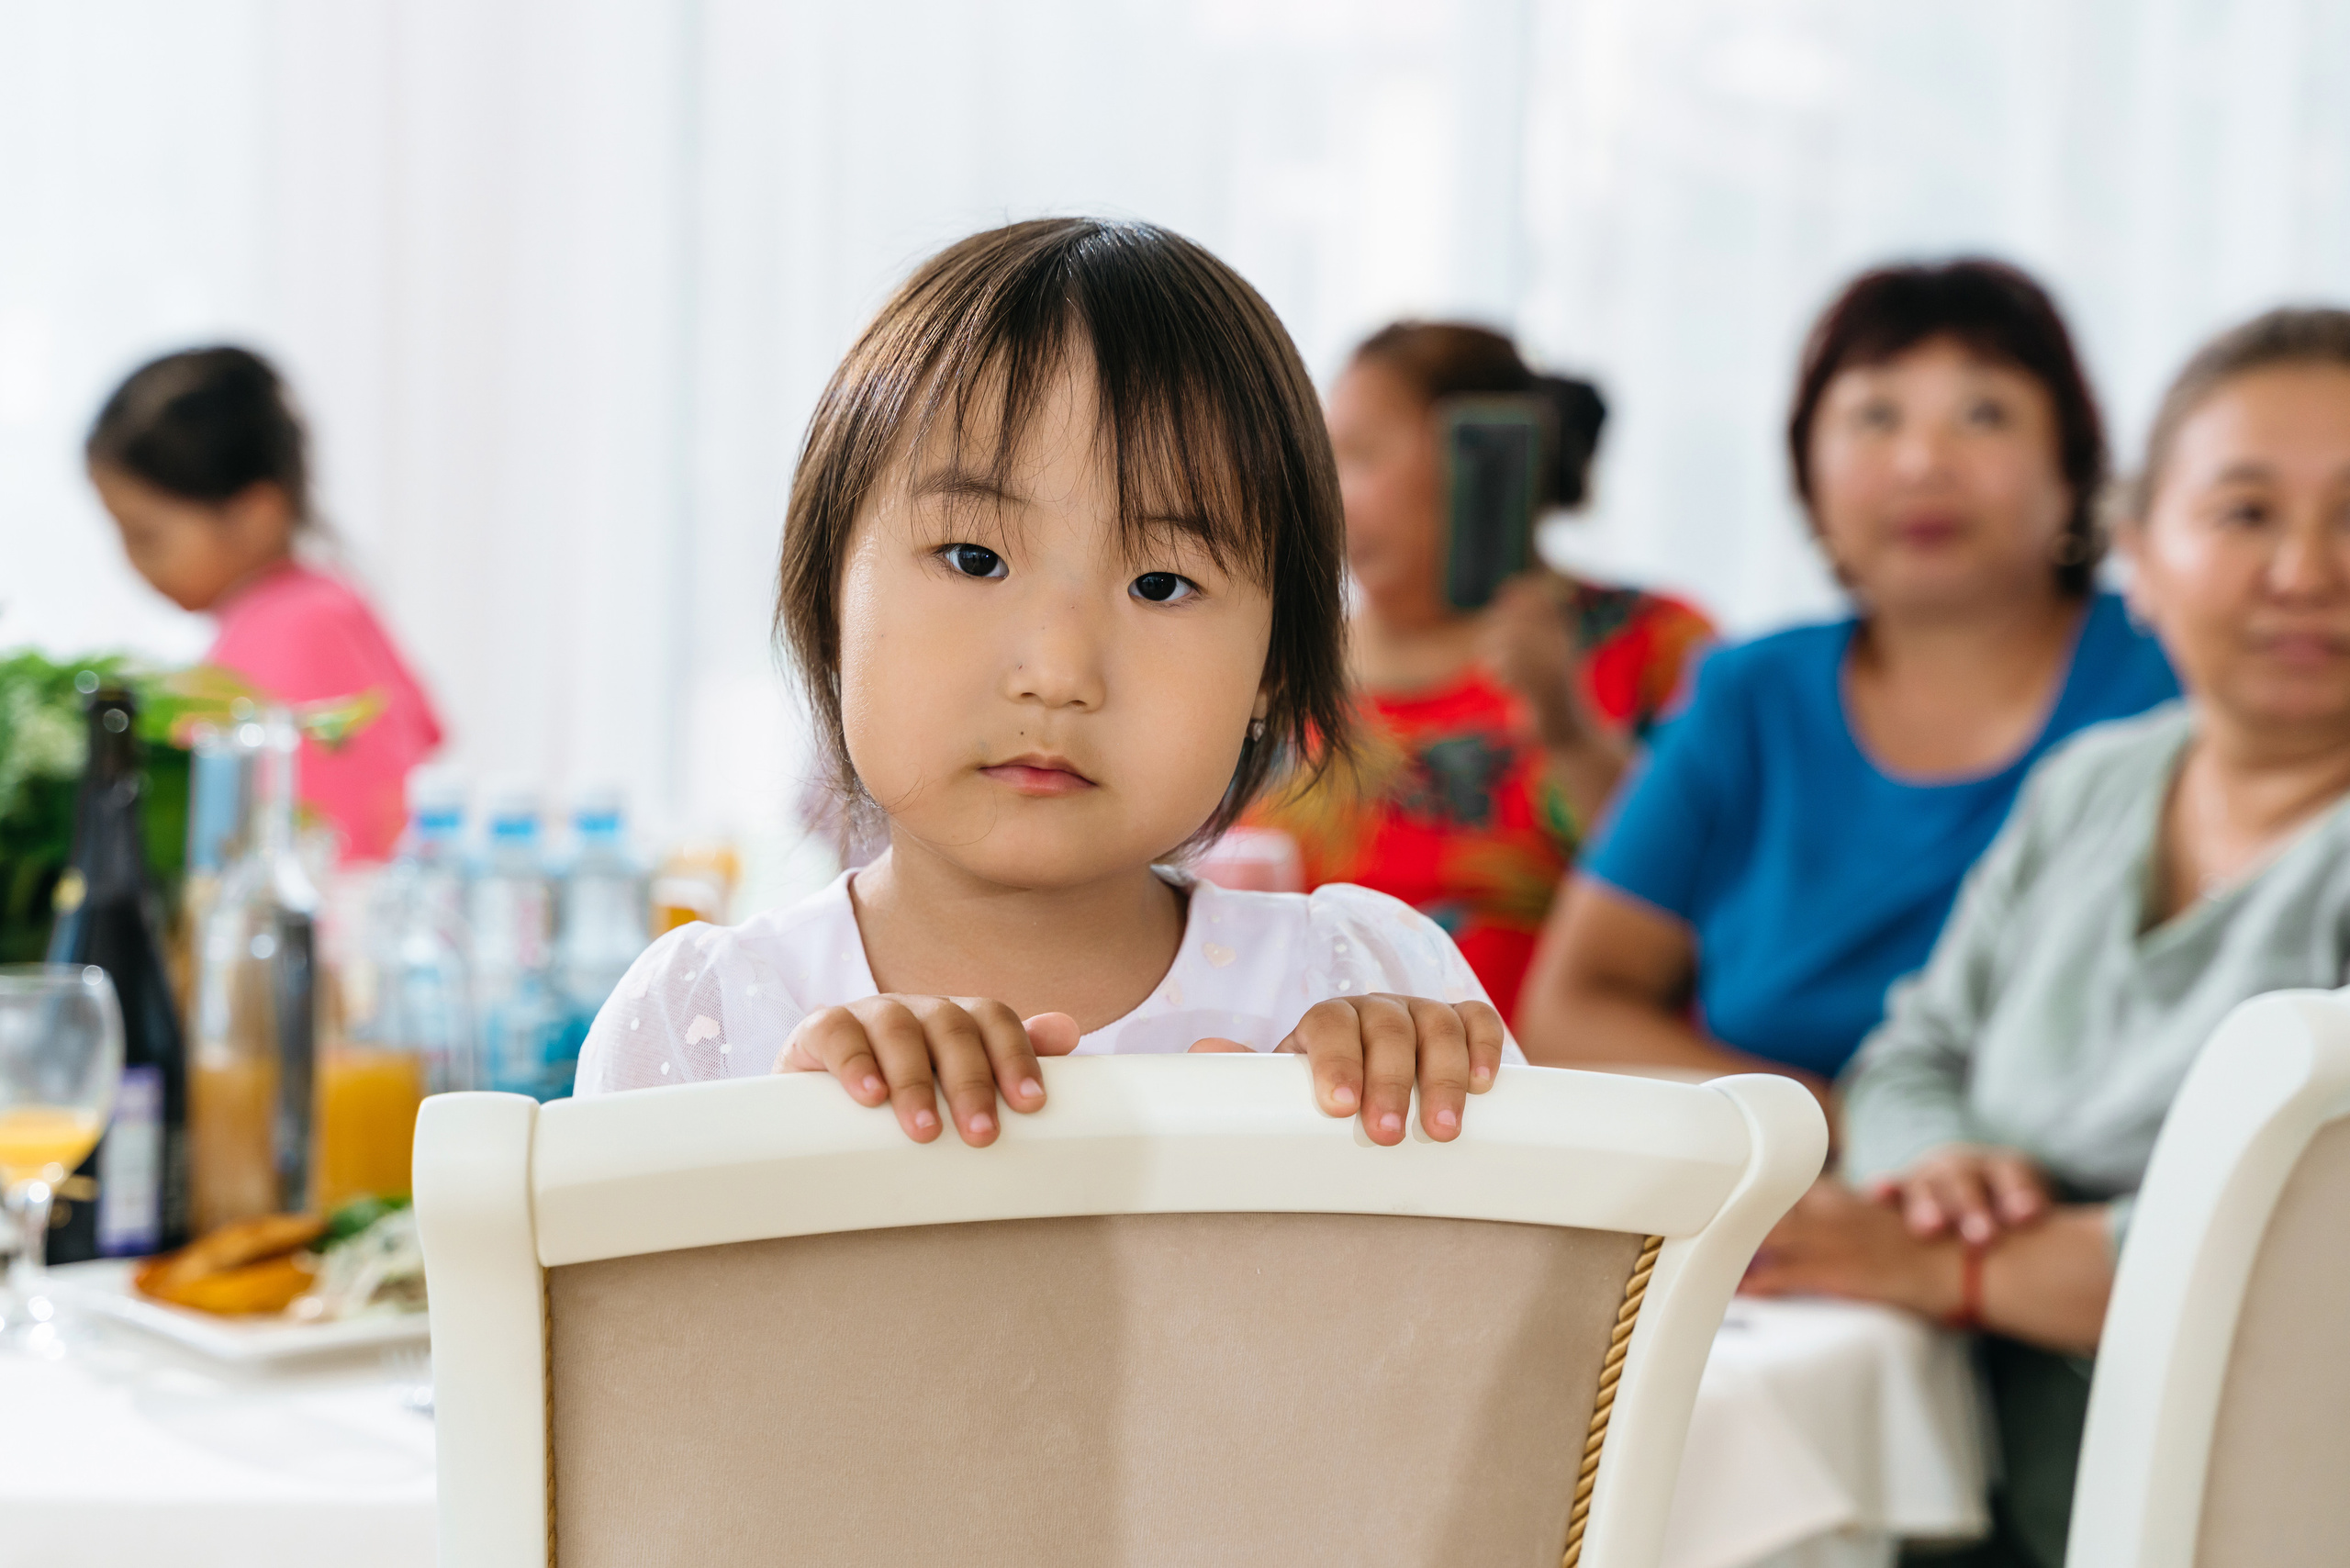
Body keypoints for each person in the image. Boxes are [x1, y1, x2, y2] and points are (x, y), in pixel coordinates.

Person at [575, 219, 1514, 1149]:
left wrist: (1402, 1160)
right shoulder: (706, 1021)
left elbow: (1561, 1295)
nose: (1058, 674)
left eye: (1162, 583)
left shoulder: (1366, 983)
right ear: (827, 598)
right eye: (974, 557)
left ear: (1274, 665)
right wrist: (781, 1153)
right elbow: (612, 1306)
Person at [1744, 307, 2350, 1567]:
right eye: (2245, 513)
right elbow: (1911, 1053)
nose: (2305, 570)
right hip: (1978, 1500)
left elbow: (2313, 1260)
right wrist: (1937, 1162)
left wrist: (1951, 1272)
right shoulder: (2092, 784)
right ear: (2140, 548)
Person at [1516, 261, 2178, 1101]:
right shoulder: (1746, 696)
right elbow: (1574, 1009)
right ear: (1808, 478)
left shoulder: (2184, 671)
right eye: (1875, 417)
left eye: (1984, 415)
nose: (1921, 462)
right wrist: (1856, 1141)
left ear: (2074, 467)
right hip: (1794, 1206)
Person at [1231, 323, 1713, 1022]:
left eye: (1362, 457)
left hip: (1570, 1103)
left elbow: (1711, 899)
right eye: (1323, 464)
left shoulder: (1654, 646)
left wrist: (1567, 728)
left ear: (1487, 460)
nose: (1333, 500)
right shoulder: (1273, 664)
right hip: (1315, 1099)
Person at [87, 346, 443, 862]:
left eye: (148, 537)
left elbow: (339, 839)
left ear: (256, 513)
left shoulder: (300, 629)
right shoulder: (303, 611)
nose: (132, 563)